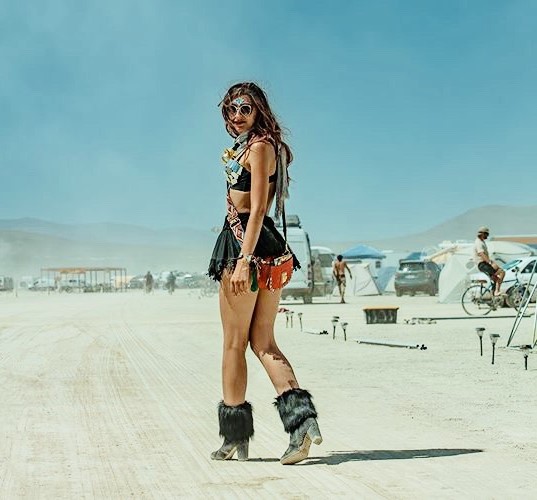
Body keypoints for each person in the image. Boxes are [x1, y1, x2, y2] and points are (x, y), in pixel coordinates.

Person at [208, 82, 322, 465]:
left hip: (247, 245)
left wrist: (242, 259)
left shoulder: (259, 147)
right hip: (263, 245)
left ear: (259, 110)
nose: (236, 116)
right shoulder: (256, 145)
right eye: (230, 110)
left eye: (244, 108)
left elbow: (257, 209)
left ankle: (234, 437)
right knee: (263, 343)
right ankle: (302, 424)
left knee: (233, 343)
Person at [474, 226, 505, 296]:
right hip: (483, 264)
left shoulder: (481, 242)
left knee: (495, 279)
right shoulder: (479, 243)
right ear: (483, 234)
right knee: (502, 272)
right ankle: (496, 291)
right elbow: (481, 253)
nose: (487, 236)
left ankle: (492, 298)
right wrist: (490, 262)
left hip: (483, 264)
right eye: (487, 234)